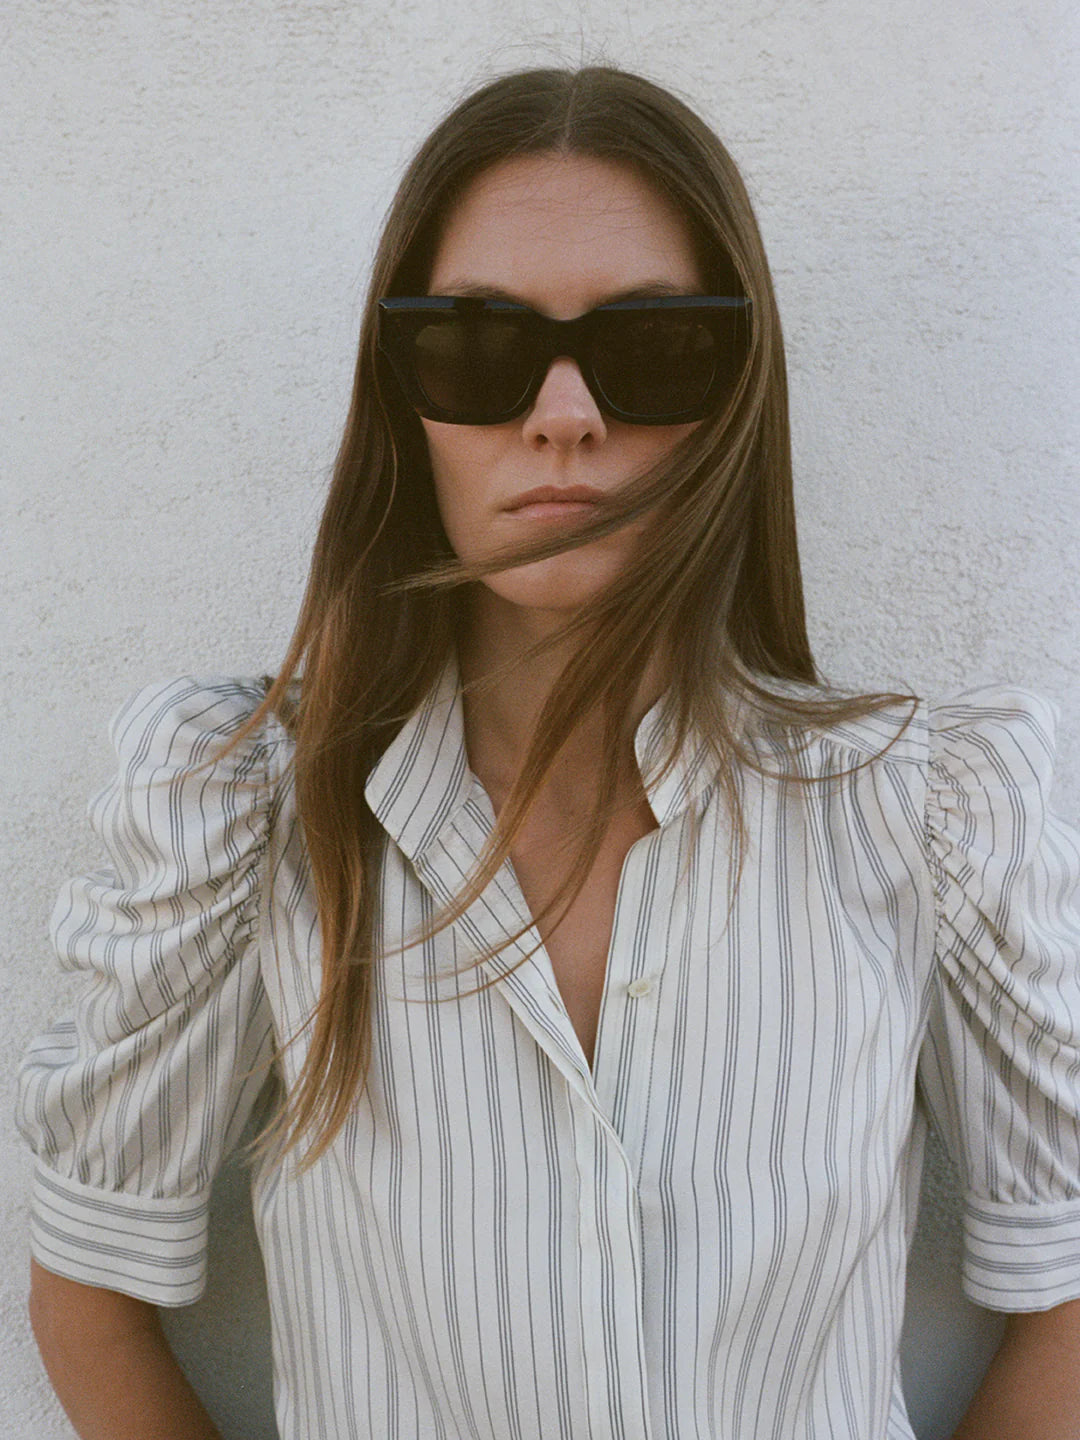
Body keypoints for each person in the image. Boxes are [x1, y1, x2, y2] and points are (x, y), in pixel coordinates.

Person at [17, 64, 1080, 1440]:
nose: (565, 413)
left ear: (735, 394)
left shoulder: (924, 814)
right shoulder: (248, 818)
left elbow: (1063, 1296)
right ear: (402, 397)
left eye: (655, 352)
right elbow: (91, 1295)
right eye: (473, 345)